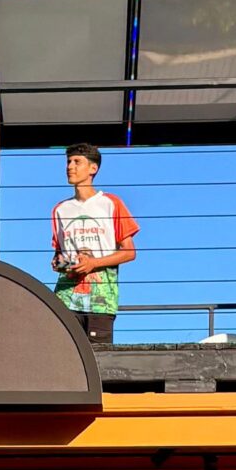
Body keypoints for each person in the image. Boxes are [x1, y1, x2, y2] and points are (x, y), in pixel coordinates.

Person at [51, 141, 138, 344]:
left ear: (93, 168)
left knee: (98, 358)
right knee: (64, 353)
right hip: (65, 299)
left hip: (101, 301)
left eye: (77, 162)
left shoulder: (111, 203)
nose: (70, 167)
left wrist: (93, 263)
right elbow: (58, 257)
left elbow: (129, 252)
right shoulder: (60, 210)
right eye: (68, 161)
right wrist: (65, 264)